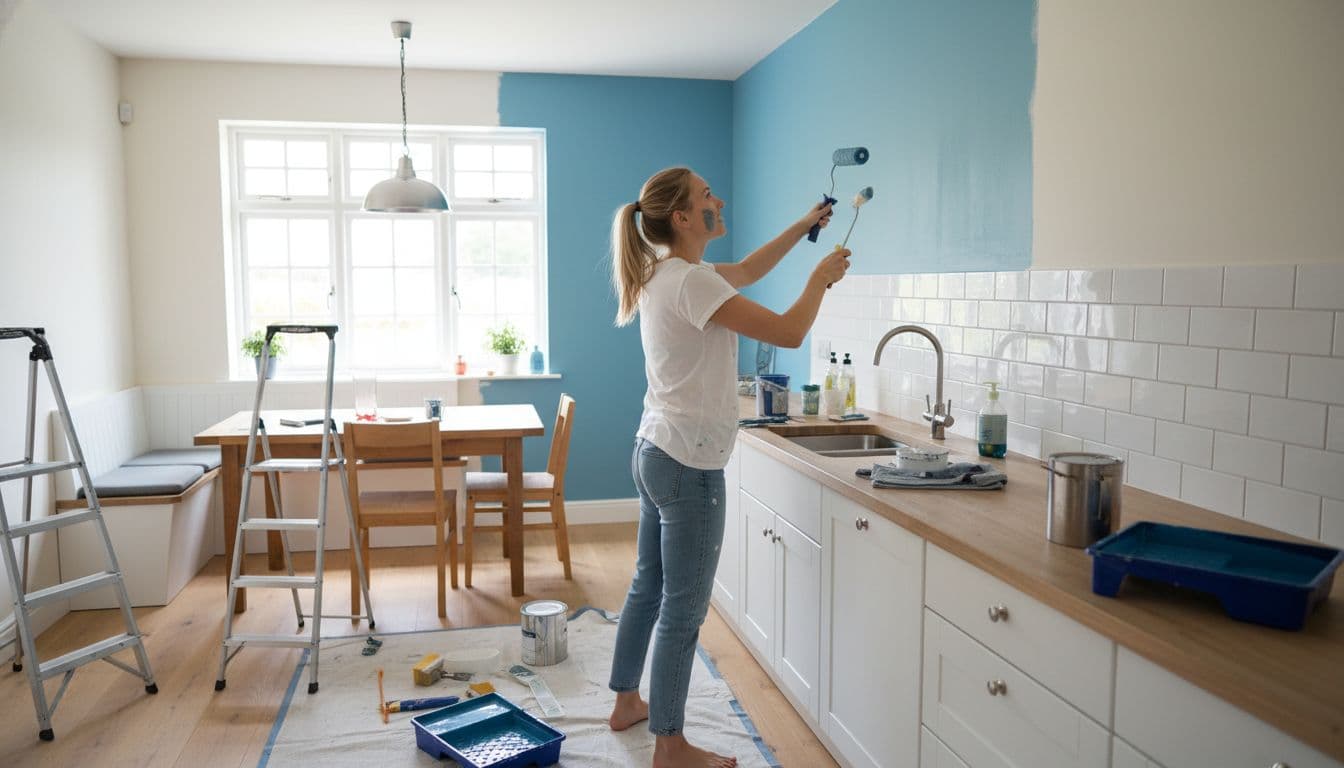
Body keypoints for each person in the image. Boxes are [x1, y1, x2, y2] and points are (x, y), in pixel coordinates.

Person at [606, 166, 850, 768]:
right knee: (683, 607)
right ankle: (670, 744)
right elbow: (792, 332)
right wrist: (820, 279)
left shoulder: (674, 274)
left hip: (655, 449)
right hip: (688, 465)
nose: (718, 199)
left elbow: (749, 271)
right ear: (684, 218)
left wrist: (803, 225)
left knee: (649, 586)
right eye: (705, 195)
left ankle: (626, 703)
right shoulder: (692, 283)